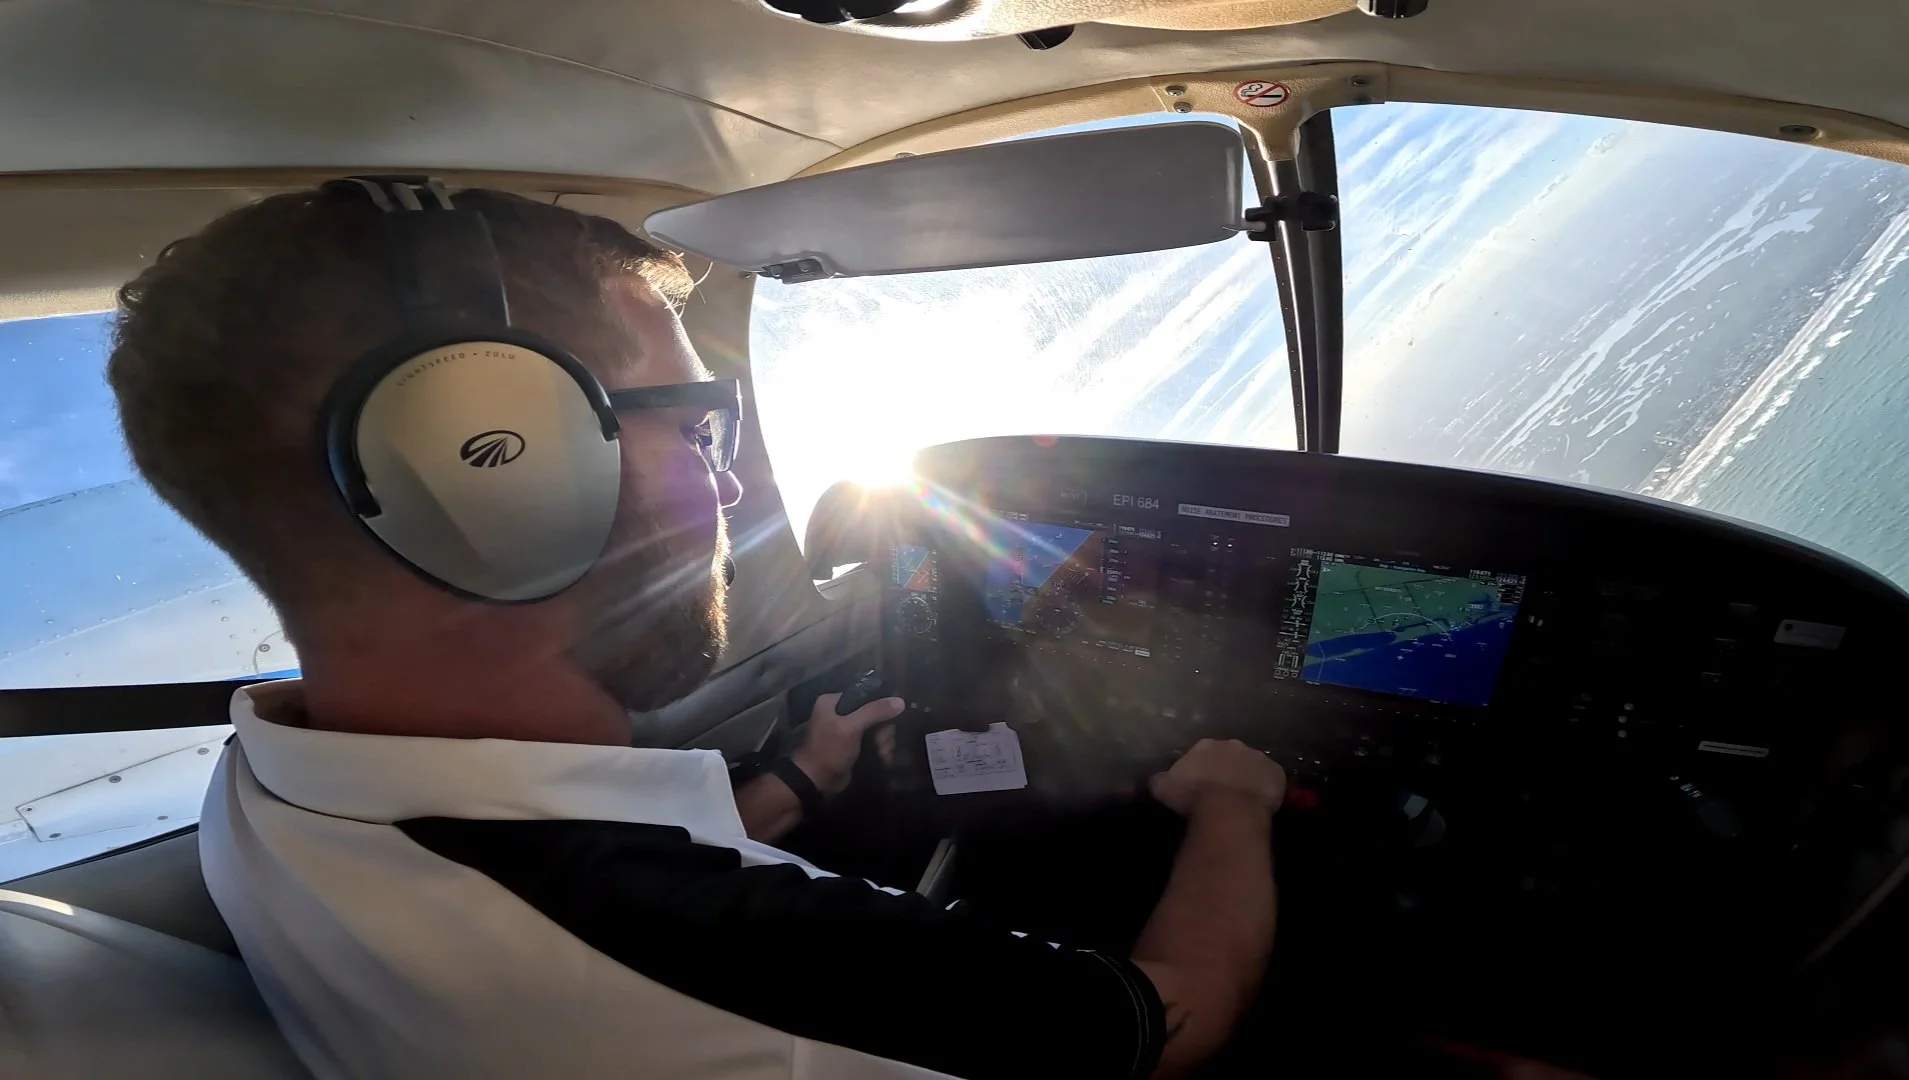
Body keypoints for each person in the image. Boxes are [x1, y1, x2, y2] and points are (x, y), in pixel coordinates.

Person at [107, 181, 1288, 1079]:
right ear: (502, 471)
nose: (728, 493)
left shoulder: (268, 788)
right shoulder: (702, 953)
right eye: (693, 429)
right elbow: (1172, 1010)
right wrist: (1231, 802)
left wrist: (792, 782)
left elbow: (592, 857)